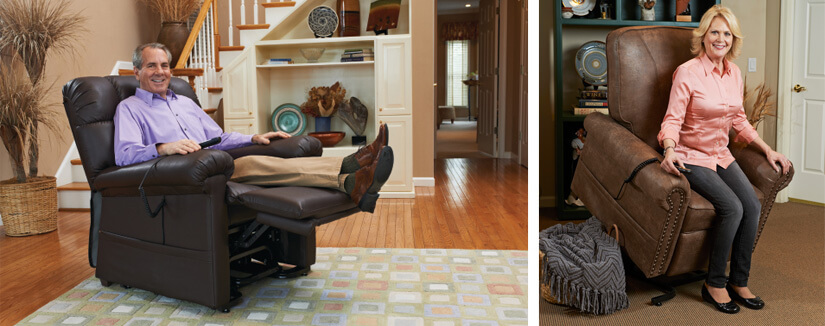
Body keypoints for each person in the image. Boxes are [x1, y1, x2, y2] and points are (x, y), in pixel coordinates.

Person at [114, 43, 393, 213]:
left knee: (264, 155)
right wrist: (164, 147)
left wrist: (255, 136)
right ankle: (356, 166)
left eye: (164, 65)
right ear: (136, 72)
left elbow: (218, 138)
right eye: (151, 66)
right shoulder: (129, 108)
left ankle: (354, 177)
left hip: (211, 160)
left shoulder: (185, 102)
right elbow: (124, 155)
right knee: (250, 165)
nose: (160, 71)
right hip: (180, 171)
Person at [657, 5, 791, 314]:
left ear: (734, 39)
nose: (721, 39)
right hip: (691, 155)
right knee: (732, 207)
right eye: (715, 32)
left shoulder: (734, 73)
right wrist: (669, 149)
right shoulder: (688, 72)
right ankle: (714, 283)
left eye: (727, 33)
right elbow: (672, 119)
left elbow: (739, 121)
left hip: (720, 153)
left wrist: (767, 149)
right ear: (703, 36)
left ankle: (738, 280)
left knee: (752, 206)